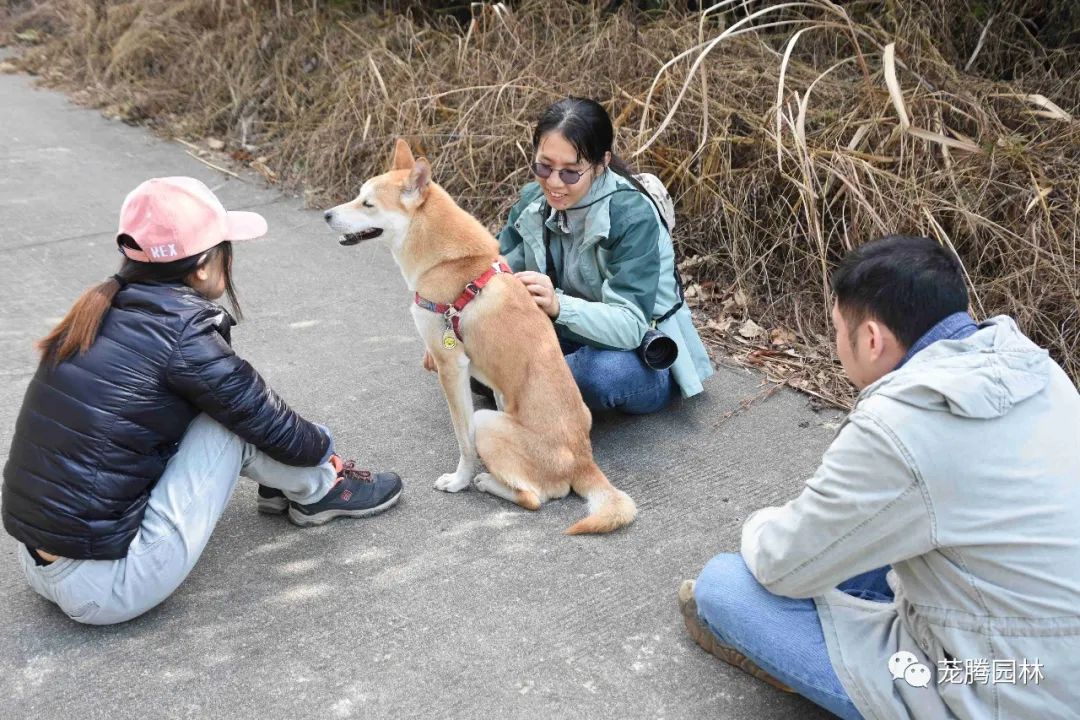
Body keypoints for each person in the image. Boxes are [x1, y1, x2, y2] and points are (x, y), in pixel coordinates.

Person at [679, 235, 1080, 719]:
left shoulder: (901, 425)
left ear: (871, 339)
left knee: (725, 587)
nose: (836, 344)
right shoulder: (1037, 368)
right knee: (871, 533)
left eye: (836, 330)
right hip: (1056, 665)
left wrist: (765, 521)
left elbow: (779, 564)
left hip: (999, 689)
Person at [2, 177, 403, 626]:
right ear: (203, 266)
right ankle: (322, 490)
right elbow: (281, 430)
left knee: (213, 410)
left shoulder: (99, 308)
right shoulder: (182, 334)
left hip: (38, 563)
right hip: (107, 586)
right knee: (233, 423)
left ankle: (286, 487)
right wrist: (327, 452)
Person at [495, 97, 713, 414]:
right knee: (476, 353)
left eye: (571, 172)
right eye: (544, 166)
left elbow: (630, 327)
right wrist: (448, 337)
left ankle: (534, 385)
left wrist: (557, 305)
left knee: (598, 375)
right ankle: (535, 384)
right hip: (567, 335)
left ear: (601, 163)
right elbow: (489, 274)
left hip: (636, 353)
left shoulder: (632, 217)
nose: (553, 183)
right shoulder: (533, 201)